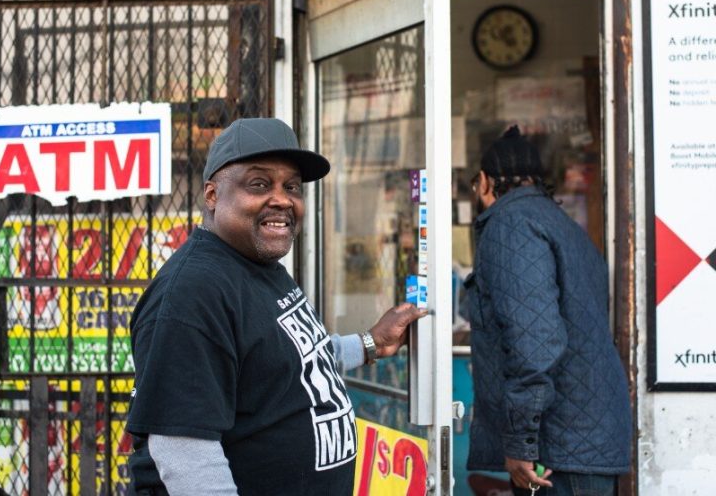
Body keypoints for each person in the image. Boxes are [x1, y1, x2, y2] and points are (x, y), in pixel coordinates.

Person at [126, 117, 426, 495]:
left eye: (293, 187)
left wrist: (370, 344)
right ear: (213, 194)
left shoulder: (255, 264)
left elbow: (289, 362)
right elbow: (185, 453)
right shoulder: (192, 293)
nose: (283, 199)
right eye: (259, 184)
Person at [465, 126, 631, 496]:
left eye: (475, 184)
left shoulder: (510, 226)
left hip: (560, 452)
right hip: (582, 442)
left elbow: (535, 343)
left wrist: (521, 444)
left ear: (487, 181)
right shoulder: (560, 225)